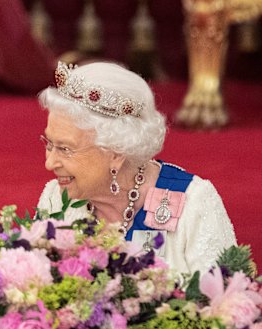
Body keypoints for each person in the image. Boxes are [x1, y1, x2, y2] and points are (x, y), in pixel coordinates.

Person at [36, 61, 236, 274]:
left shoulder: (193, 203)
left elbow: (225, 301)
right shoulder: (56, 199)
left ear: (115, 153)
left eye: (65, 149)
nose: (50, 163)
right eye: (49, 144)